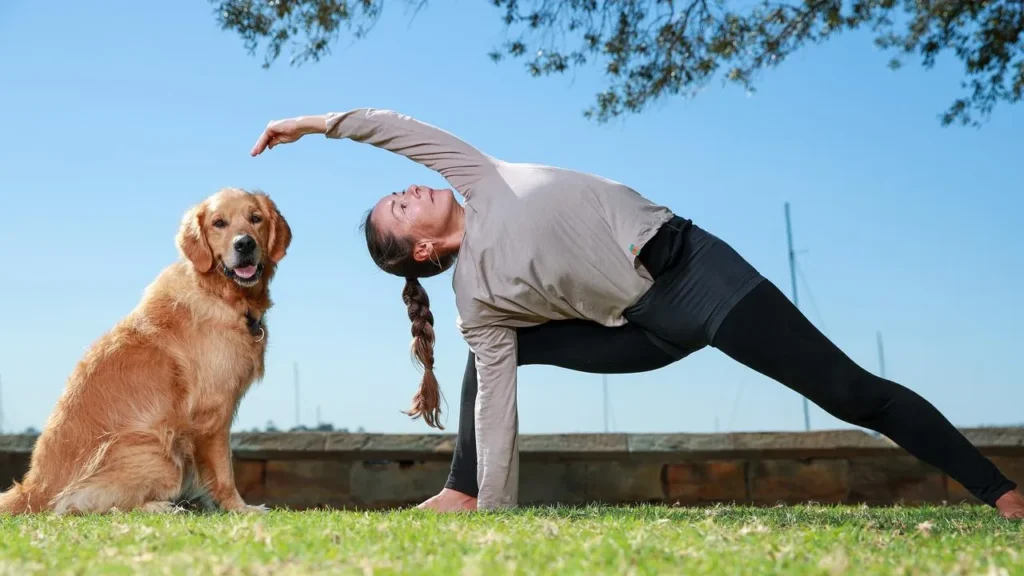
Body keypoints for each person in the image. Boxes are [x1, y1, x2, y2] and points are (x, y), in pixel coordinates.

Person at [250, 108, 1024, 518]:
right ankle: (466, 493)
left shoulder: (475, 175)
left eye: (402, 189)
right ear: (421, 249)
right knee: (490, 359)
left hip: (695, 273)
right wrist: (497, 510)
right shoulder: (475, 299)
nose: (411, 189)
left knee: (850, 392)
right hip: (639, 333)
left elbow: (392, 129)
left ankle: (999, 491)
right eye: (399, 205)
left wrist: (312, 124)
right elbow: (498, 405)